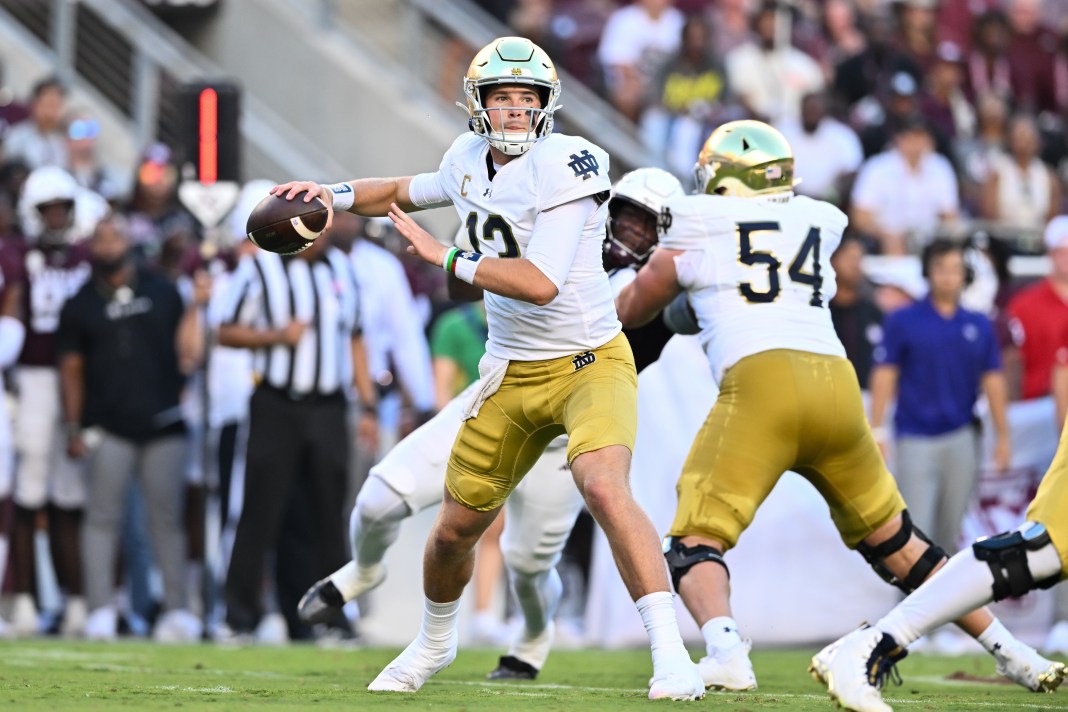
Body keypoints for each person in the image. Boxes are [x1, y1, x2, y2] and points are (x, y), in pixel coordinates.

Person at [278, 37, 703, 699]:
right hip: (509, 372)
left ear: (546, 104)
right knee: (454, 529)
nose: (514, 110)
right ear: (477, 104)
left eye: (527, 98)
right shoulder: (465, 159)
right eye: (501, 97)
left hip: (588, 362)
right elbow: (399, 190)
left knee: (603, 487)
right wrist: (330, 193)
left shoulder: (571, 161)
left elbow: (541, 283)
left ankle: (671, 652)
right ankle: (434, 642)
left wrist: (446, 257)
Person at [614, 119, 1058, 693]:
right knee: (900, 544)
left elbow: (632, 309)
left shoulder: (699, 223)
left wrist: (646, 282)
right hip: (835, 382)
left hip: (762, 385)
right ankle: (1012, 650)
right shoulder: (814, 220)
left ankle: (725, 652)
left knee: (693, 542)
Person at [814, 431, 1068, 712]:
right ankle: (872, 643)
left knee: (899, 545)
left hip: (836, 415)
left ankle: (1010, 651)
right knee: (1042, 551)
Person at [215, 226, 379, 641]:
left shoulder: (342, 267)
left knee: (328, 513)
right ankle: (239, 617)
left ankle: (330, 619)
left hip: (329, 406)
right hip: (276, 403)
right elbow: (225, 331)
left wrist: (368, 405)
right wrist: (276, 336)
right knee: (260, 510)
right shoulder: (261, 267)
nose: (319, 236)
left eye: (322, 226)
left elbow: (356, 338)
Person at [57, 215, 207, 642]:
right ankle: (101, 609)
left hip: (164, 422)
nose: (108, 247)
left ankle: (177, 610)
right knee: (102, 518)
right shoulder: (80, 302)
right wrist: (74, 425)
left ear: (130, 243)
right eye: (100, 240)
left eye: (115, 238)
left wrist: (197, 308)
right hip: (109, 426)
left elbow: (188, 352)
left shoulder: (163, 290)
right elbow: (71, 367)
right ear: (91, 247)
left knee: (166, 521)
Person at [868, 239, 1011, 554]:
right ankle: (916, 588)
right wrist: (877, 429)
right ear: (928, 272)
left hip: (962, 436)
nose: (948, 276)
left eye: (955, 269)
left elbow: (993, 380)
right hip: (915, 436)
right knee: (916, 534)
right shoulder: (903, 320)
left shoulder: (977, 323)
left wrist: (1003, 435)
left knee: (951, 532)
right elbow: (885, 374)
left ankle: (944, 588)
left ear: (965, 275)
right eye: (941, 268)